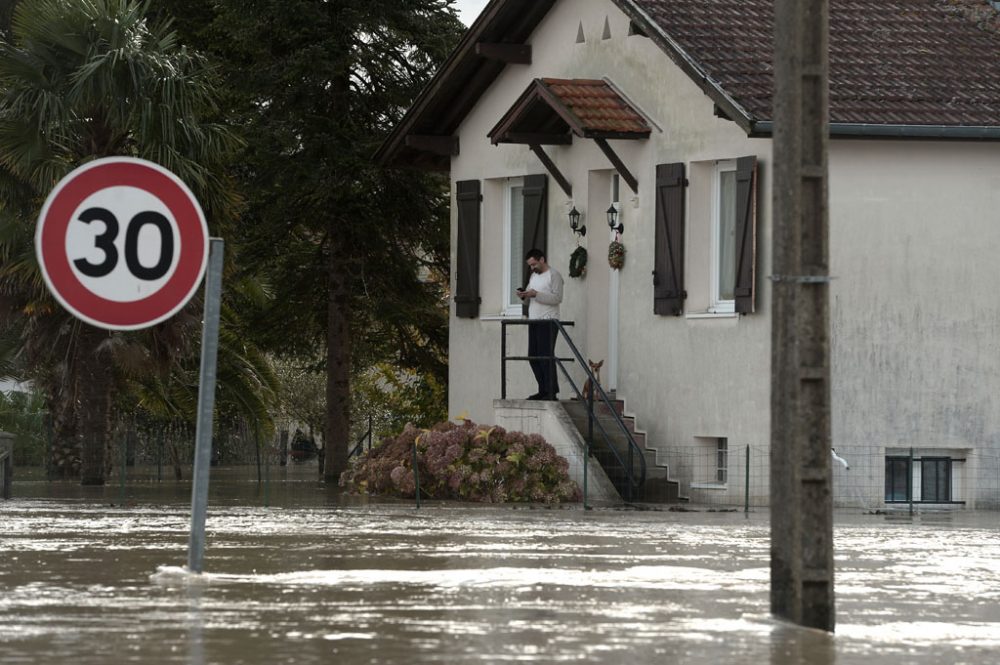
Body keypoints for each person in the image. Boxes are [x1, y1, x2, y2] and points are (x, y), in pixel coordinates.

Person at [517, 248, 563, 400]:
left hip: (549, 321)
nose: (532, 268)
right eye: (530, 265)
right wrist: (524, 295)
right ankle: (542, 389)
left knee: (545, 356)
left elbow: (557, 298)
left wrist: (536, 294)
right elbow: (532, 296)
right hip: (534, 320)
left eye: (534, 264)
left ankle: (551, 392)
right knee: (533, 357)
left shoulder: (554, 275)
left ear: (542, 260)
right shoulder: (533, 276)